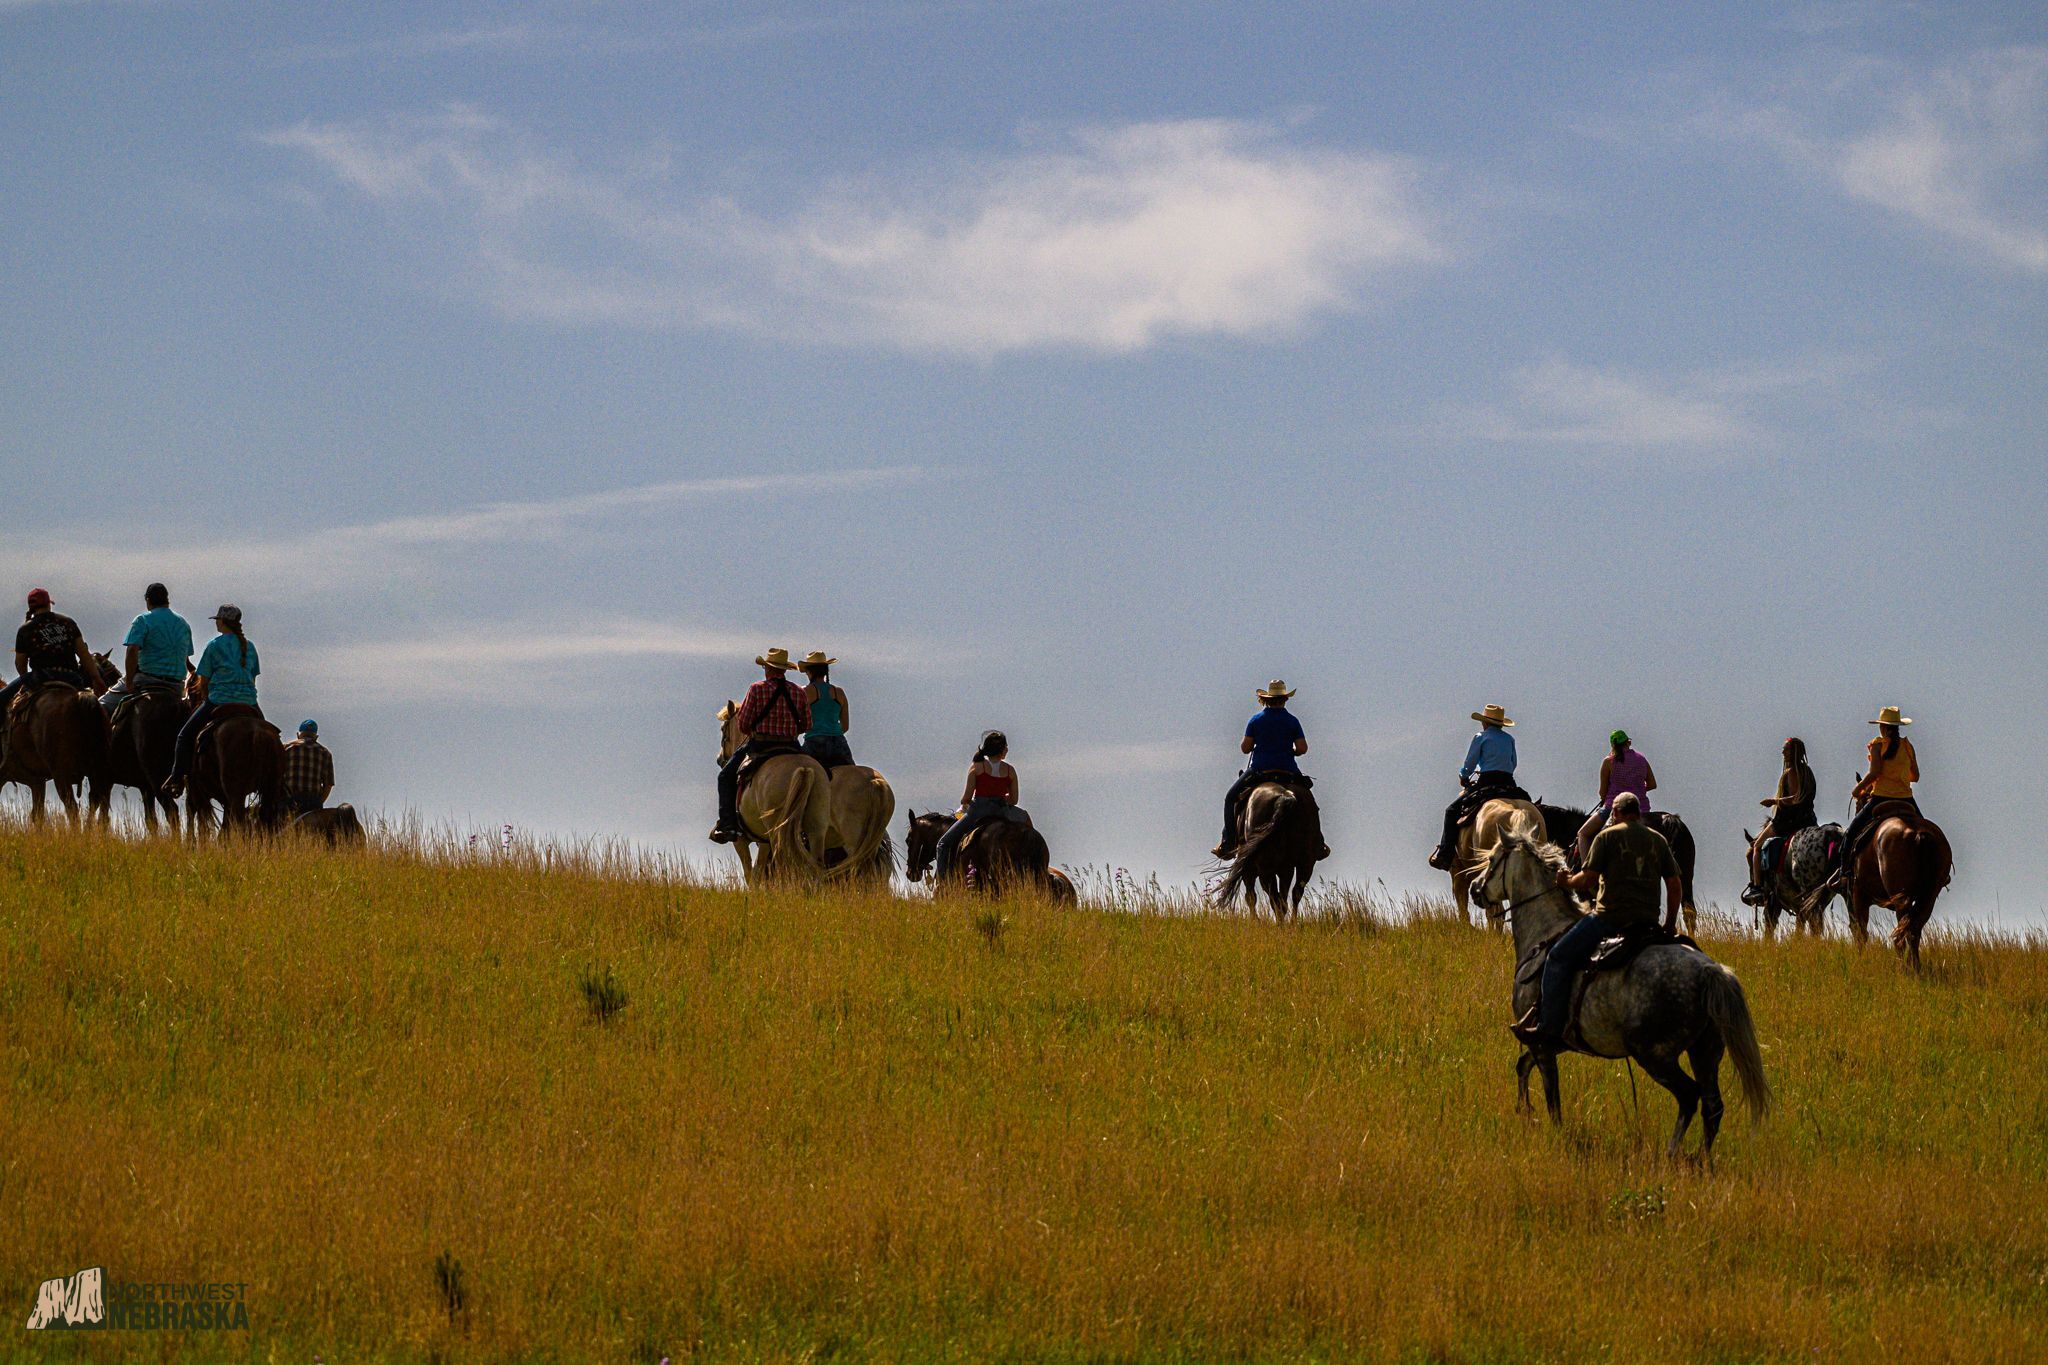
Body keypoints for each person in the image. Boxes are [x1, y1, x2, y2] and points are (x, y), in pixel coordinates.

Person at [1511, 792, 1681, 1049]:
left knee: (1557, 957)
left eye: (1613, 815)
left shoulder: (1606, 836)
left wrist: (1566, 881)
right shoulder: (1658, 840)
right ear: (1637, 813)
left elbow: (1587, 879)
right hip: (1648, 921)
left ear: (1617, 813)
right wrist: (1669, 923)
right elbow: (1674, 884)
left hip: (1610, 918)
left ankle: (1548, 1029)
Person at [711, 647, 811, 843]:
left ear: (767, 669)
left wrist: (758, 731)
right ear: (784, 670)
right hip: (792, 747)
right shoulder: (798, 692)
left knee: (725, 776)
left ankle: (729, 826)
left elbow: (744, 723)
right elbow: (807, 724)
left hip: (762, 745)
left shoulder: (757, 689)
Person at [161, 604, 260, 800]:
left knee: (184, 736)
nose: (216, 623)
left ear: (222, 621)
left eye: (217, 620)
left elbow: (203, 681)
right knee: (271, 733)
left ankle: (177, 778)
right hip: (249, 701)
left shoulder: (214, 645)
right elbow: (253, 678)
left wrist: (207, 699)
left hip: (219, 700)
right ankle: (276, 781)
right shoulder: (250, 646)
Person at [0, 588, 106, 767]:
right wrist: (97, 678)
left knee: (1, 699)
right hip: (72, 678)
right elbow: (84, 655)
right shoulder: (68, 623)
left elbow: (20, 663)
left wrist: (26, 680)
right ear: (49, 603)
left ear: (31, 608)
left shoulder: (26, 629)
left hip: (41, 676)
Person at [1213, 679, 1309, 859]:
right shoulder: (1292, 721)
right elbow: (1303, 748)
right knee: (1308, 799)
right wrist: (1293, 752)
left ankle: (1228, 842)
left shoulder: (1256, 720)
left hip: (1260, 770)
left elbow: (1245, 748)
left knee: (1231, 797)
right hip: (1288, 770)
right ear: (1285, 699)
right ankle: (1318, 842)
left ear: (1266, 699)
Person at [1428, 704, 1527, 871]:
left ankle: (1445, 855)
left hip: (1487, 782)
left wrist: (1464, 777)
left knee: (1451, 811)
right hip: (1509, 783)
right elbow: (1513, 763)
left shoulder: (1481, 737)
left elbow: (1470, 763)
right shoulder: (1509, 739)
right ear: (1501, 724)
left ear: (1485, 723)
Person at [934, 730, 1026, 881]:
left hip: (977, 812)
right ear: (1002, 749)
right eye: (1006, 747)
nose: (1007, 749)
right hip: (1000, 813)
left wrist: (966, 801)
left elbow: (966, 797)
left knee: (943, 844)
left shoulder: (977, 767)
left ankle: (943, 883)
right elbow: (1014, 800)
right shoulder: (1010, 770)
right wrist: (1001, 797)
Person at [1741, 737, 1817, 906]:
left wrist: (1774, 801)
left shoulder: (1791, 772)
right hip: (1808, 819)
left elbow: (1795, 798)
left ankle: (1757, 887)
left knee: (1756, 847)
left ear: (1794, 752)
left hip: (1788, 821)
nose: (1783, 752)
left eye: (1786, 749)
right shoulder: (1808, 771)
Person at [1840, 706, 1919, 866]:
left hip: (1881, 797)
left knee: (1850, 834)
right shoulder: (1907, 746)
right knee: (1924, 828)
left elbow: (1874, 773)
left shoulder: (1877, 744)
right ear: (1897, 727)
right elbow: (1915, 777)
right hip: (1906, 799)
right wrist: (1899, 774)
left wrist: (1858, 789)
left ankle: (1844, 872)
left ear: (1882, 727)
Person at [102, 581, 194, 714]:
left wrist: (129, 682)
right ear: (167, 600)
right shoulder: (183, 624)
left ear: (148, 600)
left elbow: (132, 650)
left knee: (100, 706)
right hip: (176, 686)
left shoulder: (142, 620)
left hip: (146, 680)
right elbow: (185, 658)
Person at [1573, 730, 1658, 863]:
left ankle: (1587, 871)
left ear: (1613, 745)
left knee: (1582, 834)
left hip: (1614, 808)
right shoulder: (1641, 759)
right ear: (1628, 742)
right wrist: (1638, 790)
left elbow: (1602, 792)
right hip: (1642, 809)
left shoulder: (1609, 762)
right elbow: (1652, 784)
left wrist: (1606, 796)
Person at [797, 651, 854, 771]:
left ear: (810, 672)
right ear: (825, 671)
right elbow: (845, 726)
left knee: (797, 776)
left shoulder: (805, 691)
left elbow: (798, 721)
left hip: (814, 743)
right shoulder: (839, 692)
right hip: (839, 743)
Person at [281, 719, 335, 816]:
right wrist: (318, 803)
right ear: (316, 737)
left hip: (288, 800)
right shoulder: (325, 753)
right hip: (313, 801)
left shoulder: (286, 749)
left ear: (298, 735)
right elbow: (328, 785)